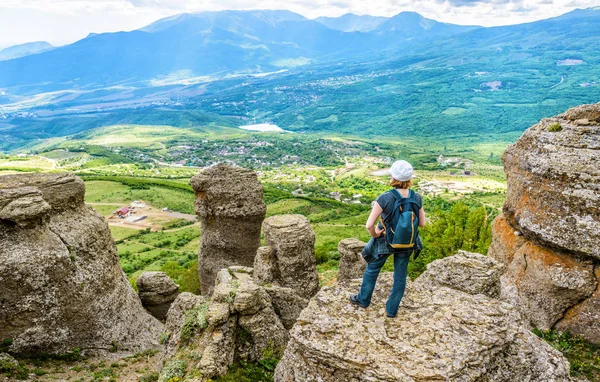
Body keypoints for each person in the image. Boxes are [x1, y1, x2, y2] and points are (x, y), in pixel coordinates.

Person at [350, 160, 426, 318]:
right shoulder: (416, 197)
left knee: (372, 270)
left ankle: (363, 300)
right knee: (400, 276)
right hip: (407, 242)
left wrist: (376, 234)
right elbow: (423, 223)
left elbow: (369, 225)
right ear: (409, 178)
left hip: (386, 240)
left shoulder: (385, 198)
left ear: (393, 177)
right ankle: (391, 310)